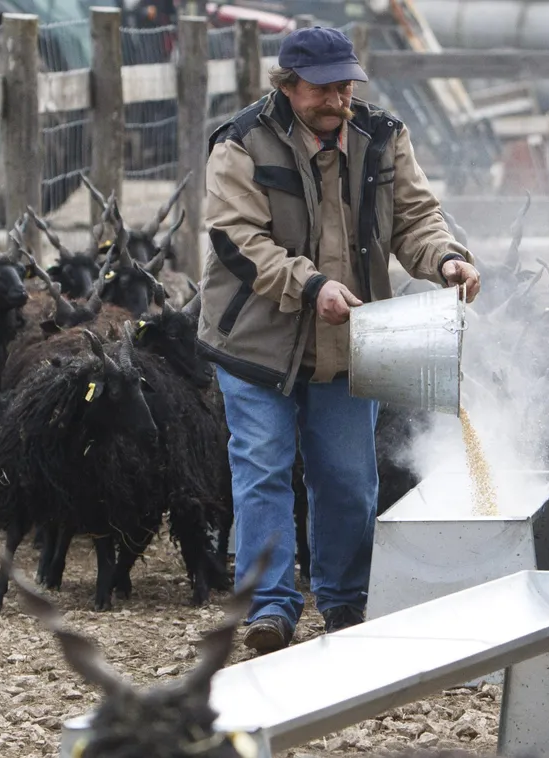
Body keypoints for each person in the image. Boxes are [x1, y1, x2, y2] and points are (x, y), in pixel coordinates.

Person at [199, 25, 481, 653]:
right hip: (255, 339)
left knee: (349, 477)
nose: (340, 96)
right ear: (289, 85)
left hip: (353, 337)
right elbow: (236, 239)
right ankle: (269, 610)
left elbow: (415, 217)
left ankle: (345, 602)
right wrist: (310, 285)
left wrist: (445, 260)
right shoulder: (240, 143)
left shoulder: (382, 135)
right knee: (263, 471)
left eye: (347, 83)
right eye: (325, 86)